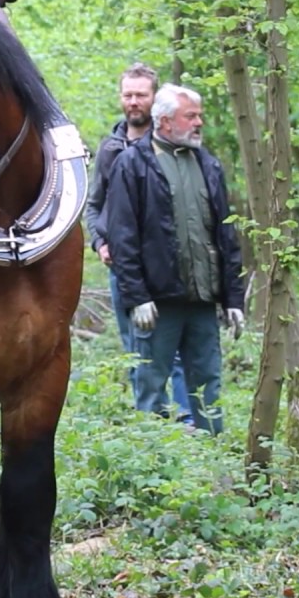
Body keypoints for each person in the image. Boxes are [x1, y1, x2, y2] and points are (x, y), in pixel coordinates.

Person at [106, 83, 246, 435]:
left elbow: (226, 236)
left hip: (202, 302)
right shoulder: (132, 164)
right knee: (151, 384)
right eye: (191, 116)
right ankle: (151, 457)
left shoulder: (208, 164)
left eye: (199, 115)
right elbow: (122, 236)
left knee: (208, 382)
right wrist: (137, 297)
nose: (199, 122)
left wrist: (234, 298)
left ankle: (212, 455)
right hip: (157, 303)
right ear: (166, 121)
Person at [85, 63, 190, 420]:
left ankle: (188, 420)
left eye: (141, 95)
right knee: (135, 347)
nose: (133, 102)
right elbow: (94, 205)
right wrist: (99, 242)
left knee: (174, 345)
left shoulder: (171, 146)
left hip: (167, 266)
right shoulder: (110, 149)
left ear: (154, 98)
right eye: (128, 95)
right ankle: (150, 422)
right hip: (123, 268)